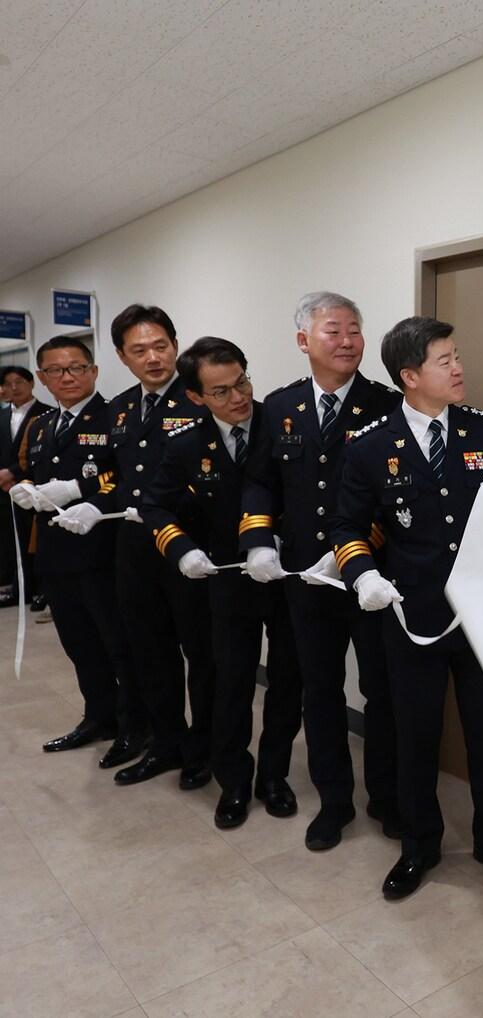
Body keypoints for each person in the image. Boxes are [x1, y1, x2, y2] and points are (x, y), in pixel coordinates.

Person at [330, 316, 483, 900]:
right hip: (410, 615)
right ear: (410, 376)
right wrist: (362, 572)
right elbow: (345, 525)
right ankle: (419, 845)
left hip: (480, 616)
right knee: (414, 735)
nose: (459, 368)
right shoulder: (369, 446)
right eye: (446, 361)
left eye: (457, 355)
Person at [240, 291, 401, 851]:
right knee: (320, 690)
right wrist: (259, 541)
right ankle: (334, 801)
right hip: (305, 580)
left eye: (355, 330)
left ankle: (386, 796)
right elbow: (260, 482)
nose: (348, 341)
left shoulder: (386, 405)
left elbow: (397, 494)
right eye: (334, 330)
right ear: (304, 340)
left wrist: (355, 552)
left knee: (381, 690)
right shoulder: (279, 407)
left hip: (370, 580)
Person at [142, 337, 302, 830]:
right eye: (221, 392)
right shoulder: (187, 445)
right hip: (227, 581)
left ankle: (274, 776)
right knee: (230, 681)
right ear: (196, 397)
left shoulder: (285, 428)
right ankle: (233, 781)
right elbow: (155, 505)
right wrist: (181, 548)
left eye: (243, 382)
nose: (238, 398)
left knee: (287, 681)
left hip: (284, 573)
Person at [64, 304, 216, 786]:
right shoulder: (121, 407)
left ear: (175, 344)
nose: (153, 358)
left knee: (202, 653)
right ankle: (166, 742)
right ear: (121, 357)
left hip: (190, 548)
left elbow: (218, 476)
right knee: (149, 651)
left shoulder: (201, 400)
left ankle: (205, 749)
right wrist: (93, 500)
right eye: (139, 350)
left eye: (161, 346)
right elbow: (113, 473)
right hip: (133, 548)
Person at [9, 337, 141, 760]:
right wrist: (27, 487)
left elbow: (126, 478)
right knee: (80, 644)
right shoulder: (44, 425)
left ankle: (135, 725)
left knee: (119, 645)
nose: (67, 377)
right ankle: (99, 715)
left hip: (103, 553)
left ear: (94, 371)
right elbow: (33, 472)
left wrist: (78, 492)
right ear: (43, 379)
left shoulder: (116, 418)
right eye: (56, 371)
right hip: (56, 554)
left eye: (76, 368)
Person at [0, 366, 54, 609]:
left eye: (19, 382)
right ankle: (18, 587)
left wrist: (13, 474)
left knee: (36, 540)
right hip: (3, 489)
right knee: (11, 541)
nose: (14, 388)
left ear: (32, 383)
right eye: (8, 383)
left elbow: (38, 454)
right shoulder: (2, 416)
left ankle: (42, 588)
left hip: (31, 485)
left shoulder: (46, 414)